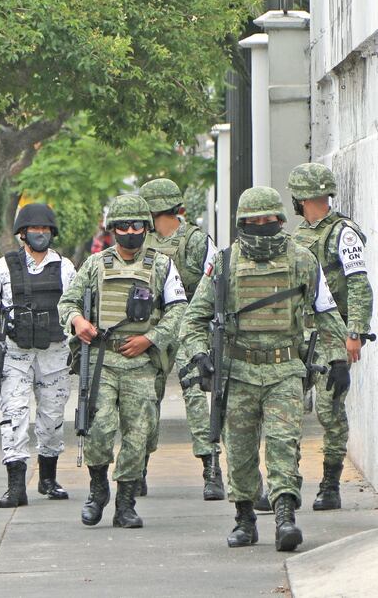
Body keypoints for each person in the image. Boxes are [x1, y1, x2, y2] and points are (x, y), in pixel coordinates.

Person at [179, 187, 348, 552]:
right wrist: (200, 355)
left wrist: (338, 358)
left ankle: (285, 516)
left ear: (280, 220)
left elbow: (327, 314)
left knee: (283, 445)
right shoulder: (223, 263)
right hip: (237, 371)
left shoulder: (302, 260)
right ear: (242, 223)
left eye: (268, 220)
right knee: (238, 451)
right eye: (253, 222)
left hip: (285, 369)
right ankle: (244, 518)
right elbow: (193, 319)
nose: (261, 226)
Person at [59, 194, 187, 529]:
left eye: (137, 225)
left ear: (146, 227)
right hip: (103, 359)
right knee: (99, 428)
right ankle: (98, 486)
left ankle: (126, 502)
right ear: (113, 229)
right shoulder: (96, 264)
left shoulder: (161, 265)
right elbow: (68, 300)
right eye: (123, 226)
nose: (130, 231)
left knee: (138, 433)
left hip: (141, 363)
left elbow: (178, 311)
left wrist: (150, 338)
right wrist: (78, 321)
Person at [0, 203, 76, 508]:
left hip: (54, 354)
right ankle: (16, 485)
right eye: (34, 229)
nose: (40, 233)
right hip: (15, 353)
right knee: (14, 415)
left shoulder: (66, 268)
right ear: (22, 233)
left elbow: (79, 307)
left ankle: (48, 478)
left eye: (45, 229)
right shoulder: (5, 267)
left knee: (53, 417)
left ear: (52, 233)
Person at [287, 162, 373, 511]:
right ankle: (286, 483)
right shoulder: (297, 234)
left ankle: (330, 483)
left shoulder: (343, 233)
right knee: (287, 407)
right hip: (300, 334)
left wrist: (355, 333)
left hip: (332, 333)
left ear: (301, 197)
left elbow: (359, 284)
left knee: (329, 408)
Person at [139, 178, 223, 500]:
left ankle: (210, 467)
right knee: (144, 394)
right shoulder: (142, 242)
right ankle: (138, 466)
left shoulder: (197, 241)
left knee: (196, 392)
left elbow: (217, 281)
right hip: (155, 325)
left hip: (189, 325)